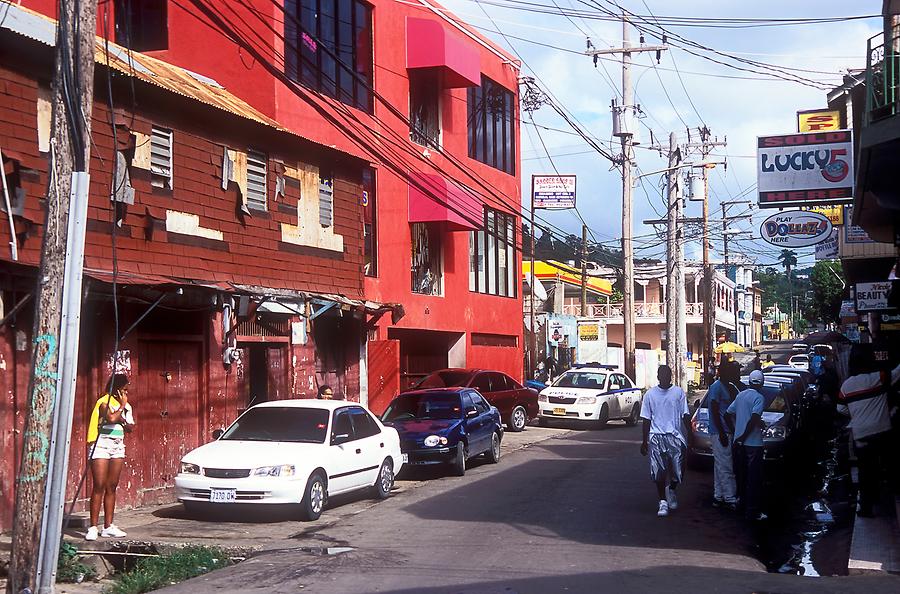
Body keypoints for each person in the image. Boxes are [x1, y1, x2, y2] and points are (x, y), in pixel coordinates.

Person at [837, 344, 900, 517]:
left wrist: (855, 414)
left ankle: (867, 507)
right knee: (890, 464)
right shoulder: (878, 377)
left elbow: (840, 409)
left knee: (866, 471)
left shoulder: (846, 386)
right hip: (882, 430)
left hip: (861, 434)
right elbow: (897, 373)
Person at [85, 373, 135, 541]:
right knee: (98, 485)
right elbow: (111, 417)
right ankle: (92, 527)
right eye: (123, 390)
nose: (126, 393)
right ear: (116, 389)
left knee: (111, 486)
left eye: (126, 391)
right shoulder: (103, 402)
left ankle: (108, 526)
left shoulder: (128, 406)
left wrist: (123, 414)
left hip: (117, 445)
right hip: (101, 444)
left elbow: (130, 427)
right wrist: (122, 407)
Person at [640, 365, 691, 517]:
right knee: (659, 472)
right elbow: (646, 419)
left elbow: (685, 415)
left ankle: (672, 489)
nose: (664, 377)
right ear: (657, 376)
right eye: (661, 374)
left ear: (671, 376)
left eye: (667, 374)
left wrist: (691, 435)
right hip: (657, 437)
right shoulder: (650, 394)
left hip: (675, 437)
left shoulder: (678, 393)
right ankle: (662, 501)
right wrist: (644, 441)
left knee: (678, 471)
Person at [727, 370, 767, 521]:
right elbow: (754, 419)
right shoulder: (759, 398)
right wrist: (744, 436)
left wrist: (736, 433)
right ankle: (752, 511)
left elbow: (727, 414)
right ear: (761, 383)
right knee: (754, 479)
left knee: (741, 476)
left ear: (750, 382)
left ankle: (741, 505)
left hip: (739, 444)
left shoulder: (740, 395)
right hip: (754, 444)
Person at [706, 360, 740, 509]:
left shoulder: (730, 387)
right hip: (720, 432)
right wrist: (721, 433)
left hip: (725, 431)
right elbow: (714, 410)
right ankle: (730, 497)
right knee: (726, 466)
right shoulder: (716, 387)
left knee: (720, 465)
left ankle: (719, 495)